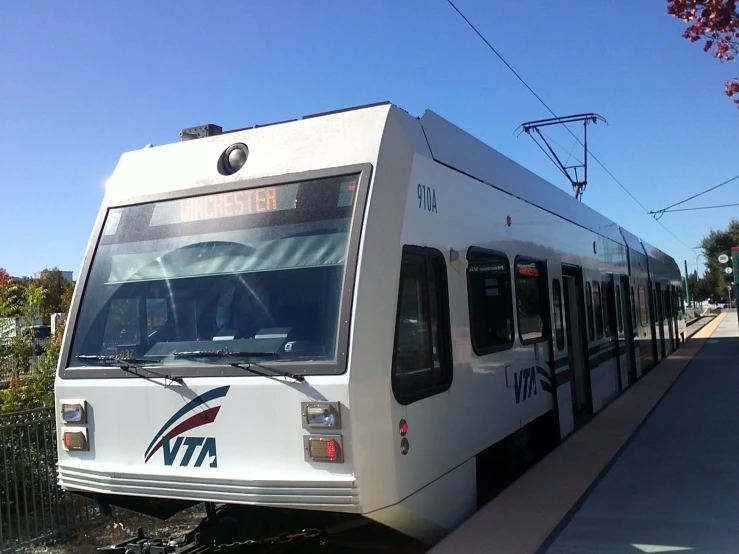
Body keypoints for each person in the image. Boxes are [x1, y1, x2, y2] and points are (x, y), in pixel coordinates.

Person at [215, 273, 272, 338]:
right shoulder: (234, 291)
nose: (252, 278)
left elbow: (263, 316)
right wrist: (224, 327)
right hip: (232, 333)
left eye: (257, 275)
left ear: (261, 278)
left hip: (256, 335)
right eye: (248, 275)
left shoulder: (263, 294)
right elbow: (223, 306)